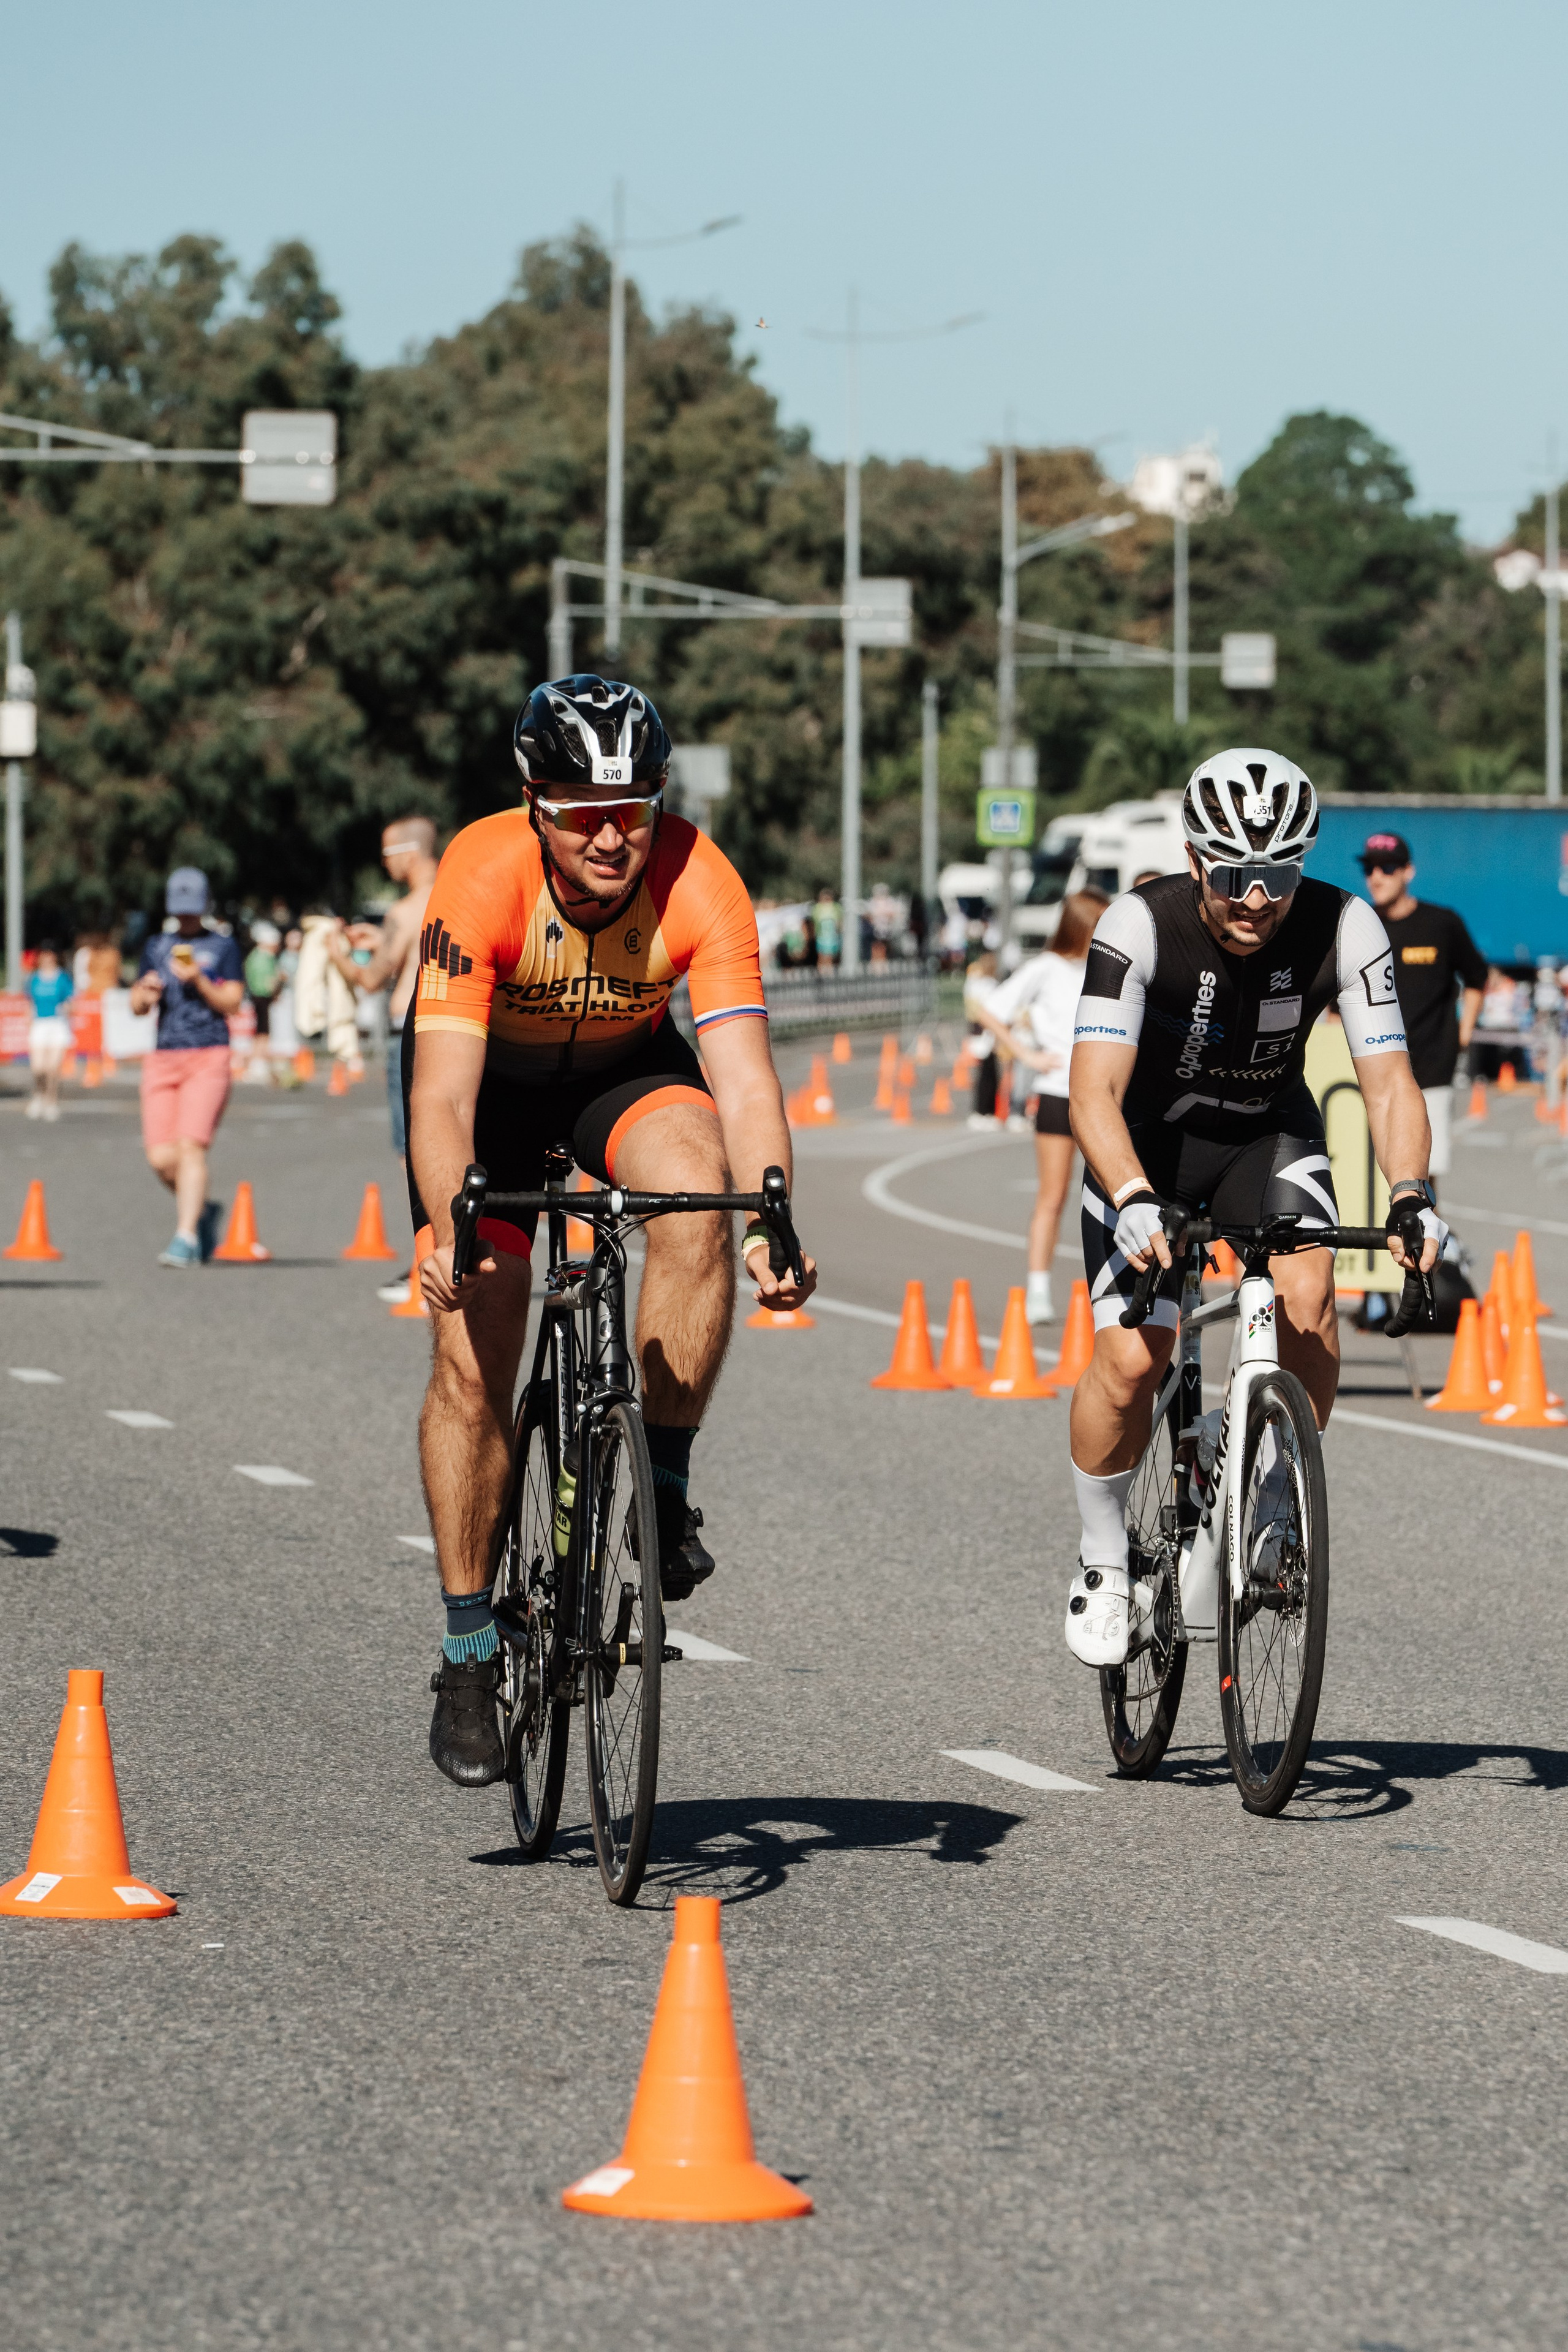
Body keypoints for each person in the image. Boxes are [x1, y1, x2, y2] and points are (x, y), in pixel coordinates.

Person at [407, 675, 817, 1787]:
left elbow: (742, 1081)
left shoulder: (699, 877)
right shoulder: (480, 875)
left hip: (623, 1072)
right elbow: (442, 1099)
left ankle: (666, 1480)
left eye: (632, 808)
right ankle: (466, 1646)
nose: (610, 835)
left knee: (698, 1193)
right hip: (492, 1090)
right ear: (534, 802)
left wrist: (772, 1212)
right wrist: (452, 1225)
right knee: (476, 1333)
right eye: (584, 810)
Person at [1064, 749, 1444, 1668]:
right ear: (1195, 859)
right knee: (1132, 1359)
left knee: (1313, 1300)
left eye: (1277, 874)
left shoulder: (1346, 927)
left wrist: (1410, 1196)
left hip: (1265, 1135)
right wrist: (1133, 1199)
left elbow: (1389, 1082)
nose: (1255, 898)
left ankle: (1274, 1495)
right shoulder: (1136, 925)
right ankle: (1104, 1556)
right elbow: (1091, 1097)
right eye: (1233, 874)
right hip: (1145, 1144)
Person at [971, 889, 1110, 1323]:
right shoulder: (1047, 968)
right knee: (1053, 1196)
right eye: (1097, 926)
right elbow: (990, 1009)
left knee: (1113, 1196)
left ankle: (1112, 1291)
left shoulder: (1109, 966)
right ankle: (1037, 1289)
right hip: (1057, 1091)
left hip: (1105, 1096)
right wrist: (1026, 1055)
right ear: (1079, 928)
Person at [1355, 831, 1485, 1194]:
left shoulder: (1442, 924)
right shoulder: (1359, 924)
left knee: (1422, 1177)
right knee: (1360, 1168)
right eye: (1369, 868)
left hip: (1430, 1069)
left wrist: (1463, 1034)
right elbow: (1336, 1002)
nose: (1377, 876)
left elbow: (1478, 977)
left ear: (1408, 872)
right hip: (1371, 1074)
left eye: (1388, 867)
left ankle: (1427, 1247)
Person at [128, 868, 246, 1268]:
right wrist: (144, 994)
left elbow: (232, 1002)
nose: (187, 919)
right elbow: (138, 1007)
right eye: (181, 912)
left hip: (209, 1054)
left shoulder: (223, 946)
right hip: (163, 1057)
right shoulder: (157, 945)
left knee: (191, 1147)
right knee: (161, 1158)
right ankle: (201, 1211)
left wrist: (199, 980)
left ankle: (185, 1236)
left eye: (193, 911)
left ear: (205, 904)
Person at [323, 816, 440, 1164]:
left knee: (414, 1151)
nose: (385, 861)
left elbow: (372, 980)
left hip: (408, 1029)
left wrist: (336, 955)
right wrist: (381, 942)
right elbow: (424, 946)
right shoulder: (455, 895)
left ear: (411, 854)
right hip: (451, 1022)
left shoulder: (402, 912)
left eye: (388, 853)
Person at [24, 941, 73, 1121]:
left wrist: (67, 1009)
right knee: (38, 1067)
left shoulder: (63, 978)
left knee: (53, 1068)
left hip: (57, 1024)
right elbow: (29, 1002)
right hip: (39, 1024)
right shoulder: (33, 978)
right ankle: (39, 1094)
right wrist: (28, 1020)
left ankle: (51, 1101)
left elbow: (70, 1000)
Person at [812, 885, 842, 968]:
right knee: (821, 955)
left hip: (832, 935)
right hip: (822, 934)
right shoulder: (817, 908)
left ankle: (829, 971)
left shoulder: (836, 907)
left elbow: (839, 920)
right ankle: (822, 971)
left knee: (831, 955)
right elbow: (815, 921)